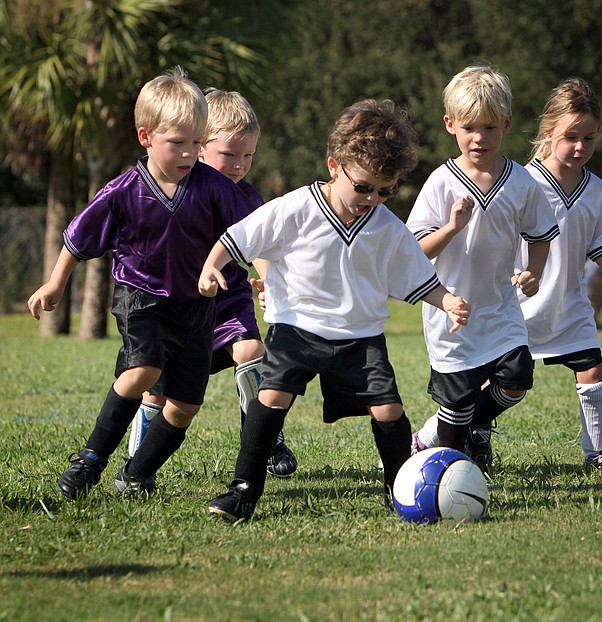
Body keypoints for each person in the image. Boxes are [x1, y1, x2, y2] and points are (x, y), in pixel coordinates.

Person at [199, 99, 470, 522]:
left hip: (360, 338)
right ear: (333, 165)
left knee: (389, 410)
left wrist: (447, 300)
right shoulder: (296, 208)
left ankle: (400, 488)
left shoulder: (386, 227)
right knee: (271, 396)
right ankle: (244, 489)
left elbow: (416, 275)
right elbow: (238, 238)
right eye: (362, 186)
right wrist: (212, 266)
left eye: (385, 190)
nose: (372, 198)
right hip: (296, 330)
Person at [27, 67, 249, 498]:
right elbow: (78, 238)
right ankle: (90, 459)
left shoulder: (215, 187)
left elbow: (246, 234)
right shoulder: (122, 191)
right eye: (177, 143)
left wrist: (263, 273)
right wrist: (55, 284)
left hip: (196, 307)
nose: (188, 154)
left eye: (195, 144)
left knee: (185, 405)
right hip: (141, 297)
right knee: (143, 370)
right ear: (146, 137)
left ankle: (138, 473)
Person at [127, 88, 298, 479]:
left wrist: (270, 283)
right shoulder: (176, 190)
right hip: (179, 307)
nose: (239, 165)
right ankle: (139, 461)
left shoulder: (247, 197)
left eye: (248, 155)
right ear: (200, 147)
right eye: (230, 154)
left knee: (252, 349)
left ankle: (264, 438)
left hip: (229, 300)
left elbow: (259, 246)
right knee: (157, 388)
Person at [406, 64, 559, 472]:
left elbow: (541, 234)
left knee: (517, 379)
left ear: (507, 124)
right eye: (470, 127)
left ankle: (469, 428)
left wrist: (535, 271)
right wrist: (452, 227)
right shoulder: (441, 182)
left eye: (490, 127)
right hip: (450, 313)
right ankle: (451, 469)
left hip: (500, 309)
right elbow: (415, 249)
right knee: (455, 407)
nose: (480, 137)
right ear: (450, 124)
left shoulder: (522, 183)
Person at [519, 78, 602, 471]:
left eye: (588, 138)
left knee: (593, 372)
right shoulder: (523, 182)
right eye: (570, 136)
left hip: (570, 305)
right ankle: (464, 439)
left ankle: (598, 452)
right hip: (517, 307)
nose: (579, 147)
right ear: (547, 131)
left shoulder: (595, 189)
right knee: (501, 383)